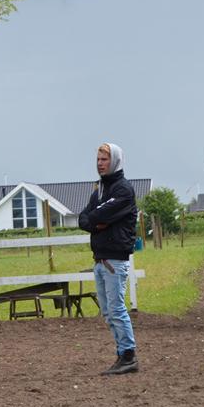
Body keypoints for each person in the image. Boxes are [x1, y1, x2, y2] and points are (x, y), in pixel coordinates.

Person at [78, 142, 139, 375]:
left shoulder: (123, 190)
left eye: (104, 159)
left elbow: (97, 215)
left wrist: (96, 219)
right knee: (107, 311)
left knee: (116, 309)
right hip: (100, 259)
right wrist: (96, 222)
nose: (100, 164)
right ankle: (122, 354)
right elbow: (86, 218)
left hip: (114, 260)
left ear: (114, 160)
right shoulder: (100, 191)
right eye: (98, 160)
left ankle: (128, 355)